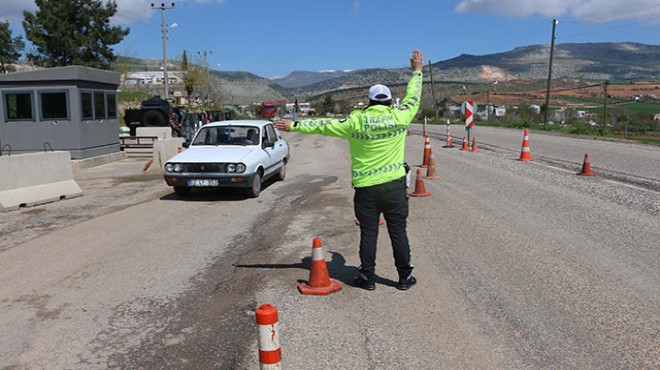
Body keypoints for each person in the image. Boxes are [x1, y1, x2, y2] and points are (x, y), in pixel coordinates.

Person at [274, 49, 424, 291]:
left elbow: (324, 125)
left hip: (366, 190)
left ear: (369, 101)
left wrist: (293, 124)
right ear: (388, 101)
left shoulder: (356, 121)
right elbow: (413, 97)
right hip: (394, 186)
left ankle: (367, 278)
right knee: (398, 232)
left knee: (368, 233)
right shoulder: (400, 117)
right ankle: (404, 278)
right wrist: (417, 72)